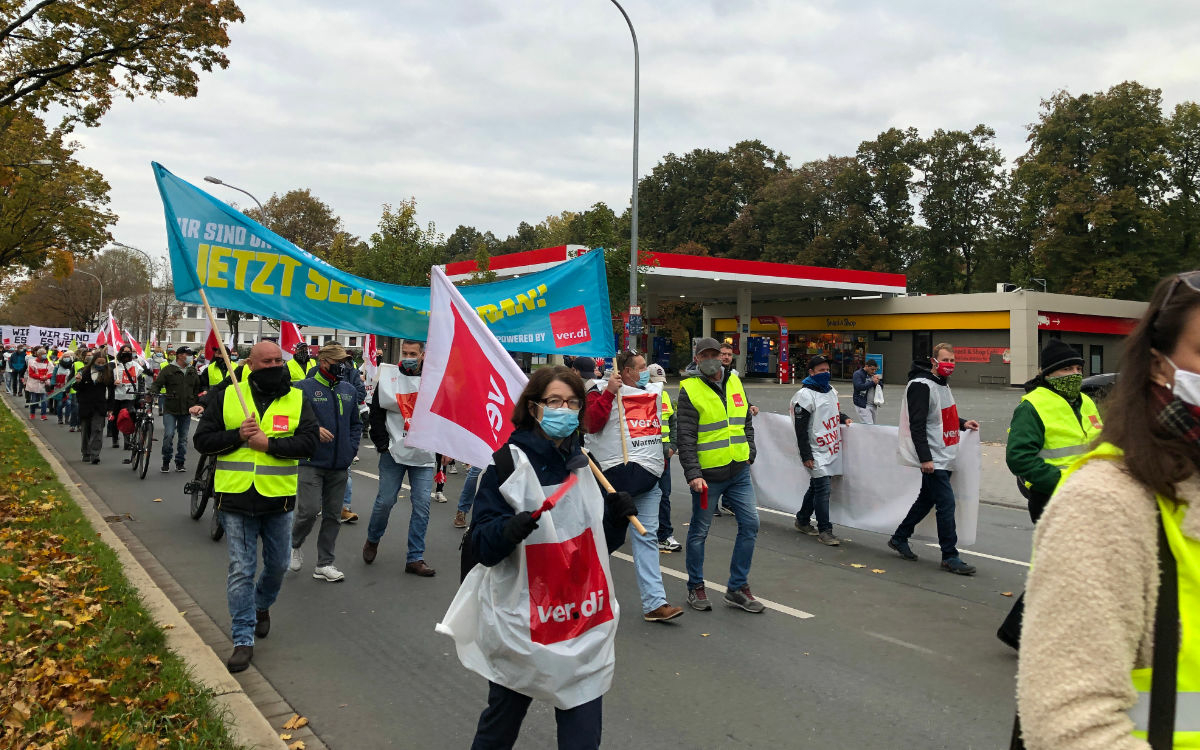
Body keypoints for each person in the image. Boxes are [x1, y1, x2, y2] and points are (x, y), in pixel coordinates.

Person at [1017, 272, 1200, 749]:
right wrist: (1063, 484)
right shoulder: (1103, 504)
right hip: (1061, 496)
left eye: (1076, 368)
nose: (1072, 375)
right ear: (1160, 366)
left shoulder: (1085, 404)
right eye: (1064, 370)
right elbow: (1068, 725)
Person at [465, 365, 637, 750]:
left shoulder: (584, 463)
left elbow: (596, 546)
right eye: (554, 401)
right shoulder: (505, 466)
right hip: (525, 623)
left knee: (583, 737)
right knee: (500, 725)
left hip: (581, 621)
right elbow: (483, 546)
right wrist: (507, 530)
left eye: (573, 402)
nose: (564, 409)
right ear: (534, 407)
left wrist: (615, 518)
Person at [192, 341, 319, 673]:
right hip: (235, 500)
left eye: (279, 360)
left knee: (277, 566)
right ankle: (242, 638)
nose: (275, 365)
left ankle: (262, 605)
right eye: (267, 361)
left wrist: (270, 444)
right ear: (250, 363)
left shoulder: (297, 397)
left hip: (278, 499)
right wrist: (237, 436)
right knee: (241, 570)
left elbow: (309, 443)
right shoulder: (228, 394)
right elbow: (202, 441)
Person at [584, 350, 683, 623]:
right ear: (625, 371)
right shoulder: (599, 391)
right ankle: (579, 592)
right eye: (639, 368)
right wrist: (608, 394)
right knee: (604, 540)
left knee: (647, 537)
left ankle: (655, 603)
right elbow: (591, 425)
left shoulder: (650, 393)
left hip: (648, 480)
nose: (644, 372)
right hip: (614, 483)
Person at [676, 337, 763, 613]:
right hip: (707, 477)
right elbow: (686, 436)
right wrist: (692, 473)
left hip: (738, 470)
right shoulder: (689, 389)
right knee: (700, 532)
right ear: (697, 359)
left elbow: (745, 420)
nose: (711, 359)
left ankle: (737, 588)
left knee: (750, 524)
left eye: (715, 354)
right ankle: (695, 587)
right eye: (705, 355)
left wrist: (750, 449)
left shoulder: (735, 382)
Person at [886, 343, 981, 575]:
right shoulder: (921, 386)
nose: (950, 364)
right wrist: (925, 458)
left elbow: (940, 416)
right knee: (946, 504)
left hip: (944, 454)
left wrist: (962, 423)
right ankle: (950, 555)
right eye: (945, 359)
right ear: (934, 361)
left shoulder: (942, 385)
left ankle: (900, 537)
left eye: (953, 360)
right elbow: (916, 425)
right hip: (934, 458)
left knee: (926, 499)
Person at [363, 340, 438, 576]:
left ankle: (415, 558)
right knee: (385, 501)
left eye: (412, 353)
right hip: (393, 452)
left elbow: (444, 416)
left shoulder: (434, 379)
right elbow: (376, 413)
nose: (407, 356)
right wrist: (382, 443)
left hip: (423, 455)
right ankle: (373, 539)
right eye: (404, 352)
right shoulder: (388, 377)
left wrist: (445, 450)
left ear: (423, 355)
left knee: (422, 506)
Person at [289, 344, 362, 583]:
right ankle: (294, 545)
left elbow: (355, 424)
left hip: (339, 464)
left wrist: (350, 450)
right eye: (338, 362)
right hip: (311, 461)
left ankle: (324, 564)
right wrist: (312, 430)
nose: (343, 366)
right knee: (309, 511)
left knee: (333, 515)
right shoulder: (302, 389)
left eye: (345, 361)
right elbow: (289, 420)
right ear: (323, 362)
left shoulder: (349, 390)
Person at [792, 355, 852, 546]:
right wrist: (806, 455)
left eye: (827, 370)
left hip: (830, 448)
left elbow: (832, 411)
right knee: (823, 489)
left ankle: (802, 519)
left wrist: (843, 418)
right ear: (811, 372)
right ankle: (825, 530)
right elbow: (800, 430)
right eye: (821, 371)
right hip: (815, 450)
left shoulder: (831, 391)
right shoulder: (804, 396)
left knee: (817, 487)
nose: (825, 373)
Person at [150, 346, 201, 473]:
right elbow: (157, 384)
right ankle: (166, 460)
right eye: (188, 354)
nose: (190, 357)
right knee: (168, 435)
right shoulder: (168, 370)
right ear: (180, 356)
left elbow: (197, 388)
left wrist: (197, 402)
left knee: (183, 438)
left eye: (191, 354)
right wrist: (152, 393)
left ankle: (180, 462)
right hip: (171, 409)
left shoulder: (192, 371)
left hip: (186, 410)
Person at [648, 363, 682, 552]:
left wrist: (673, 446)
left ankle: (664, 534)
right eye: (655, 381)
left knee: (663, 496)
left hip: (663, 457)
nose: (659, 385)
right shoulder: (639, 396)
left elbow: (673, 421)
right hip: (646, 455)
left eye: (661, 382)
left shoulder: (665, 395)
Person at [75, 352, 113, 464]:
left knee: (97, 430)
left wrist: (110, 408)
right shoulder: (84, 371)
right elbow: (77, 388)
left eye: (103, 363)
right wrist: (78, 381)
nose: (101, 364)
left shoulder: (108, 373)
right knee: (86, 430)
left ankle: (95, 454)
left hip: (100, 406)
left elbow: (111, 392)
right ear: (93, 361)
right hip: (86, 405)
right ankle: (85, 452)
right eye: (98, 362)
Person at [109, 344, 142, 450]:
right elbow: (107, 381)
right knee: (115, 419)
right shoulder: (114, 365)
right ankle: (115, 439)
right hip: (117, 397)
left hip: (130, 397)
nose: (127, 353)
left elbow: (140, 380)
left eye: (129, 351)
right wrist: (113, 382)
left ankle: (127, 441)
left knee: (126, 418)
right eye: (125, 351)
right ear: (120, 352)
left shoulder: (136, 366)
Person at [46, 352, 75, 424]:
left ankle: (67, 419)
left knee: (68, 403)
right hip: (59, 388)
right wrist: (52, 384)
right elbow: (53, 375)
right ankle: (60, 418)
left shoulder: (72, 366)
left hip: (68, 388)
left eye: (68, 356)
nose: (67, 358)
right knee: (59, 404)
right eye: (65, 356)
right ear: (62, 357)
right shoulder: (58, 366)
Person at [24, 347, 52, 420]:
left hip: (44, 384)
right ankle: (32, 413)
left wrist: (46, 377)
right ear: (38, 355)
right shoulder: (32, 362)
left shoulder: (49, 363)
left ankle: (43, 415)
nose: (44, 355)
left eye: (45, 354)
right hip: (35, 384)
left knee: (44, 400)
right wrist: (40, 377)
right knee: (34, 400)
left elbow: (51, 372)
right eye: (43, 354)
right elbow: (31, 374)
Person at [852, 359, 881, 424]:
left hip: (873, 405)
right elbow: (859, 387)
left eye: (875, 370)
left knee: (873, 426)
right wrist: (872, 382)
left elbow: (881, 387)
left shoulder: (873, 375)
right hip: (863, 405)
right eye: (872, 369)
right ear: (866, 366)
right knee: (869, 427)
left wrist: (878, 381)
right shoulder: (858, 374)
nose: (874, 371)